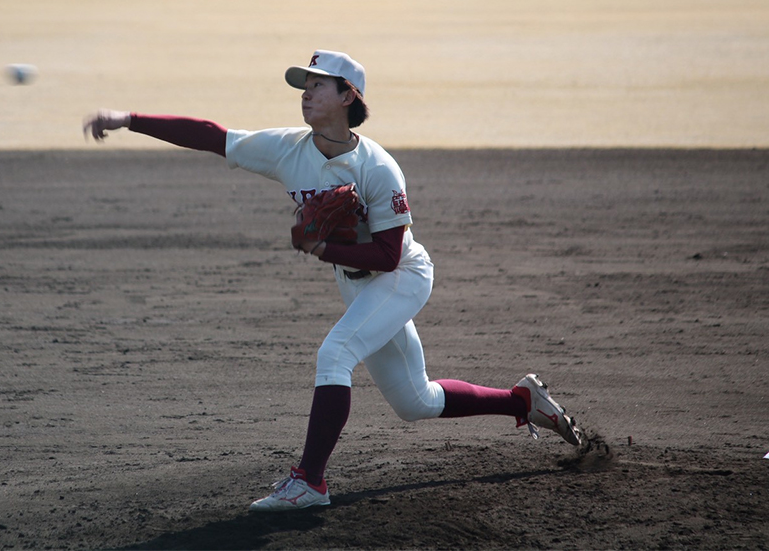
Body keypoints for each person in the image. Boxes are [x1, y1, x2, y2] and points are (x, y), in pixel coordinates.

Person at [83, 49, 585, 512]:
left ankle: (310, 481)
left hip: (402, 276)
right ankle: (522, 401)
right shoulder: (286, 149)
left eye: (318, 85)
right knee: (416, 402)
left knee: (335, 354)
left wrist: (323, 249)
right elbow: (214, 136)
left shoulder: (379, 168)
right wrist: (129, 119)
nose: (306, 93)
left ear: (349, 96)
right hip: (357, 282)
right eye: (304, 86)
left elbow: (388, 256)